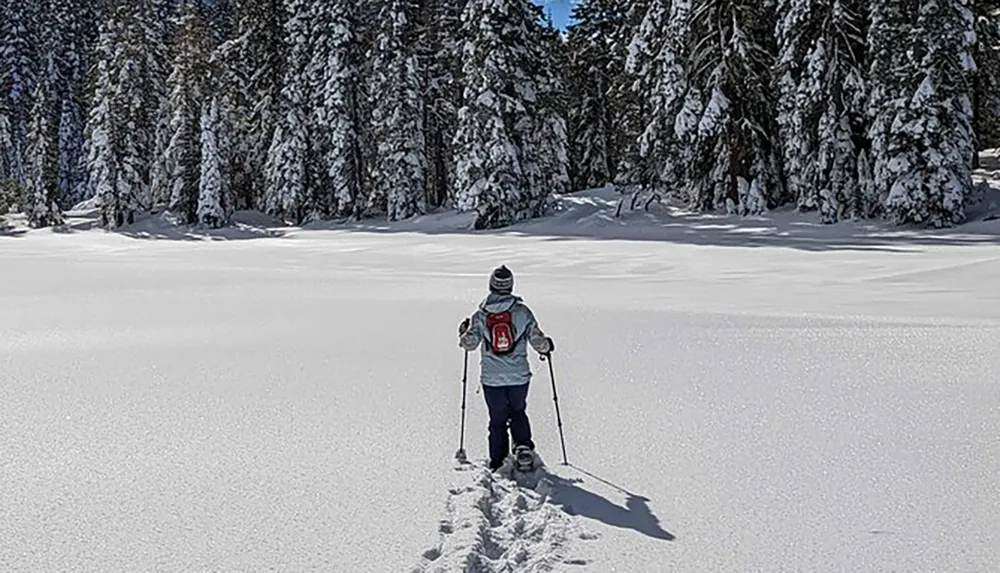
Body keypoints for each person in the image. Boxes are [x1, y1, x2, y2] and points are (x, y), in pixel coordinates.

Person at [459, 265, 554, 471]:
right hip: (519, 375)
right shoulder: (522, 312)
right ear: (510, 286)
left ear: (491, 285)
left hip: (491, 378)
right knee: (518, 411)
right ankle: (522, 447)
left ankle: (498, 460)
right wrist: (547, 346)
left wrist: (463, 333)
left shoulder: (481, 314)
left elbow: (470, 345)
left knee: (497, 419)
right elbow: (538, 340)